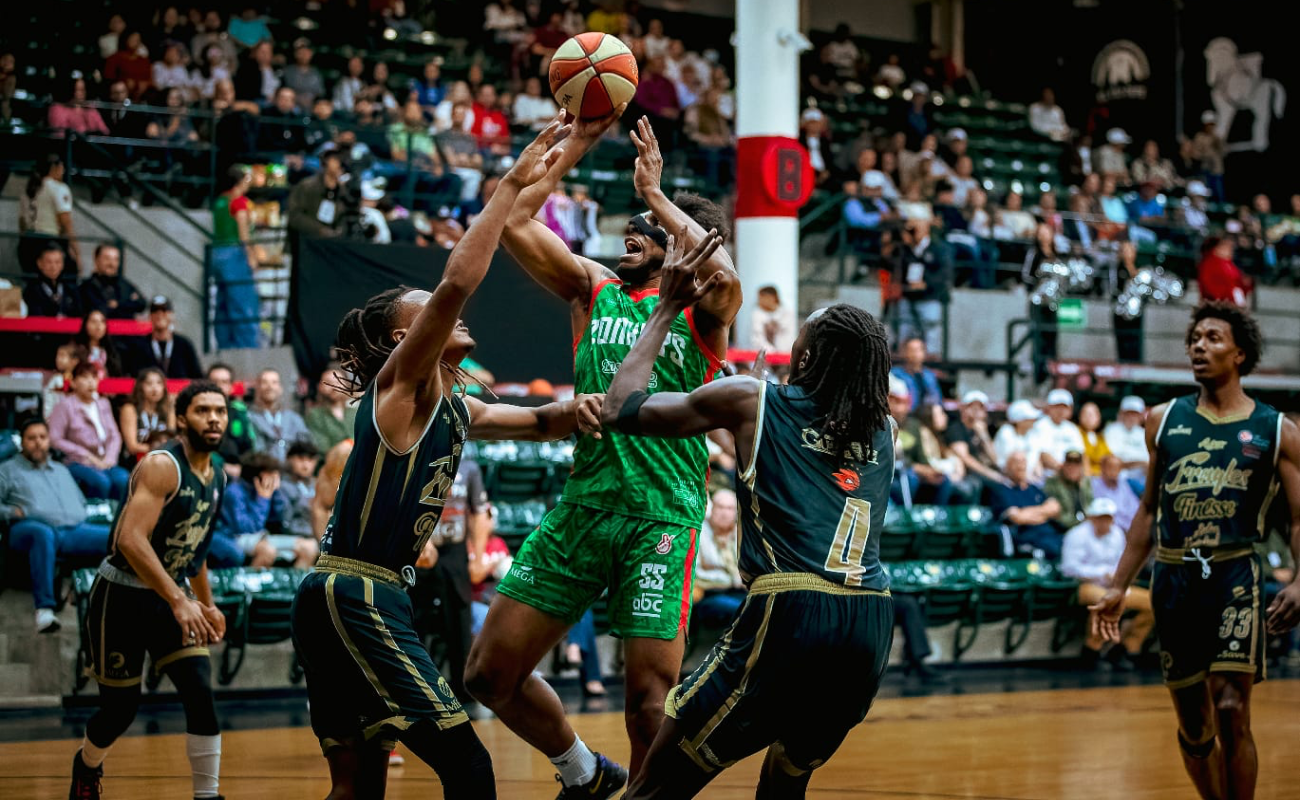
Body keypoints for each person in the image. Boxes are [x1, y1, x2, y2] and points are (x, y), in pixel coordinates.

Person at [290, 119, 605, 799]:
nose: (449, 314)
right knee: (468, 764)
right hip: (359, 592)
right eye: (430, 311)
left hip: (350, 595)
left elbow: (546, 419)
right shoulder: (400, 387)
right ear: (409, 337)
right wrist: (513, 183)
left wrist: (603, 400)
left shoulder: (457, 409)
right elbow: (459, 280)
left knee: (358, 784)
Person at [470, 113, 741, 794]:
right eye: (636, 222)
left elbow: (724, 271)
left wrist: (658, 198)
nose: (635, 230)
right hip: (584, 504)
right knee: (487, 675)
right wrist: (582, 141)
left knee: (650, 701)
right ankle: (584, 774)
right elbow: (517, 223)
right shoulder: (595, 289)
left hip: (662, 516)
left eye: (650, 230)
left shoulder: (703, 312)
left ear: (682, 243)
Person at [598, 240, 896, 798]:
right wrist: (759, 400)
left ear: (805, 356)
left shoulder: (753, 398)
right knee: (785, 782)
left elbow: (620, 407)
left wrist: (664, 309)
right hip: (870, 622)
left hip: (794, 610)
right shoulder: (884, 429)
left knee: (654, 788)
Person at [1093, 302, 1300, 800]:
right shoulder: (1163, 421)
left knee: (1231, 708)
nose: (1198, 346)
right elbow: (1146, 511)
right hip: (1174, 577)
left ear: (1240, 353)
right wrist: (1119, 584)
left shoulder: (1278, 430)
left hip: (1235, 575)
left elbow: (1299, 517)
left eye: (1211, 338)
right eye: (1194, 339)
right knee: (1193, 723)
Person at [68, 382, 230, 800]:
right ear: (181, 419)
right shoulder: (162, 466)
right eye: (203, 410)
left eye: (220, 410)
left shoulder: (219, 475)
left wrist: (206, 604)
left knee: (200, 690)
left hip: (169, 597)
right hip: (121, 596)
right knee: (119, 711)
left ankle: (207, 796)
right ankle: (86, 764)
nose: (214, 418)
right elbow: (129, 539)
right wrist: (180, 599)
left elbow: (196, 549)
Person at [0, 418, 111, 633]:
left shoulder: (60, 469)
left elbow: (79, 501)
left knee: (116, 537)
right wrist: (10, 512)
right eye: (31, 438)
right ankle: (44, 609)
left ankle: (102, 599)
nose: (38, 443)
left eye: (42, 437)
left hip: (72, 530)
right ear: (22, 442)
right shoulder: (7, 470)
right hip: (28, 528)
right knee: (43, 534)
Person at [1062, 497, 1153, 671]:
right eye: (1100, 517)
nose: (1105, 521)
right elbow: (1069, 568)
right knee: (1105, 601)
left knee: (1152, 602)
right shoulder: (1077, 535)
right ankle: (1091, 650)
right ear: (1092, 517)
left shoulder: (1117, 533)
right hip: (1085, 585)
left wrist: (1119, 577)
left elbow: (1123, 561)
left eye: (1108, 517)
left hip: (1115, 586)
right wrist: (1101, 574)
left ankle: (1126, 648)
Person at [47, 363, 129, 501]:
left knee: (124, 479)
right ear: (73, 382)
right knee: (101, 482)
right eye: (84, 377)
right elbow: (55, 439)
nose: (90, 382)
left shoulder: (103, 403)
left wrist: (109, 459)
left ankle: (119, 519)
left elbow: (115, 436)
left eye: (94, 377)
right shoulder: (64, 405)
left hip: (104, 461)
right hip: (77, 462)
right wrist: (87, 456)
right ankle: (96, 520)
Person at [210, 166, 262, 349]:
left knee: (223, 303)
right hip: (234, 255)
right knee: (243, 303)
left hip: (217, 254)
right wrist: (251, 255)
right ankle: (247, 346)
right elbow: (243, 233)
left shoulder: (220, 201)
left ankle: (224, 344)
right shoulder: (238, 201)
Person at [207, 451, 282, 568]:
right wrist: (263, 500)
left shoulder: (263, 490)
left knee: (307, 547)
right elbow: (247, 528)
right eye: (271, 475)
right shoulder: (234, 492)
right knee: (267, 552)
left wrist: (275, 494)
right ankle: (246, 585)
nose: (275, 479)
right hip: (231, 535)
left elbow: (280, 520)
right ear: (259, 475)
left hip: (257, 535)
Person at [893, 215, 951, 355]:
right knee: (904, 326)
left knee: (930, 329)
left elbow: (945, 274)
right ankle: (903, 356)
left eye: (916, 227)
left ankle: (931, 359)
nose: (913, 231)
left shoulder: (938, 248)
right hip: (908, 295)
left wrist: (926, 283)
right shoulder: (905, 249)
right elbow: (894, 267)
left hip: (929, 297)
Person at [991, 451, 1063, 558]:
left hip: (1051, 534)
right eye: (1016, 462)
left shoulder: (1033, 489)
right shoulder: (1001, 491)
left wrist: (1027, 511)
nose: (1021, 466)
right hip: (1027, 538)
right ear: (1007, 467)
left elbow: (1055, 508)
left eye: (1023, 462)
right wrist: (1044, 512)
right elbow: (1017, 517)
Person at [691, 488, 744, 627]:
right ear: (711, 508)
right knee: (744, 609)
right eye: (720, 507)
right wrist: (733, 579)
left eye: (730, 508)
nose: (725, 513)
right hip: (707, 595)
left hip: (737, 592)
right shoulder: (699, 533)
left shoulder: (739, 534)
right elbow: (695, 574)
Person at [126, 296, 203, 379]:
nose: (159, 315)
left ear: (172, 315)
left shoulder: (184, 345)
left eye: (164, 310)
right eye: (155, 311)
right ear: (150, 316)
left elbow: (197, 376)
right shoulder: (139, 346)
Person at [246, 369, 310, 462]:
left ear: (280, 388)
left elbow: (306, 445)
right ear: (257, 388)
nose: (270, 387)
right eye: (264, 382)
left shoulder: (293, 418)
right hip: (264, 469)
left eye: (274, 382)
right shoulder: (250, 417)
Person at [79, 243, 147, 321]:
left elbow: (141, 304)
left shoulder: (124, 284)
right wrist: (127, 306)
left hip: (125, 331)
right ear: (96, 260)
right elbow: (100, 310)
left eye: (116, 259)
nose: (112, 263)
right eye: (107, 258)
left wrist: (118, 305)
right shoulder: (85, 287)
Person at [120, 368, 176, 461]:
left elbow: (171, 440)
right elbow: (132, 446)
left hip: (162, 459)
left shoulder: (167, 409)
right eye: (149, 384)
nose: (155, 388)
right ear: (140, 386)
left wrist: (172, 406)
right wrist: (159, 449)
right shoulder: (130, 409)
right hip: (136, 460)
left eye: (159, 383)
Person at [207, 363, 257, 463]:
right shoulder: (198, 413)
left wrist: (242, 469)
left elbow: (249, 447)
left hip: (239, 471)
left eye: (224, 382)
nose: (219, 386)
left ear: (231, 387)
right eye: (214, 381)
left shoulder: (239, 413)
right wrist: (223, 466)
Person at [305, 366, 358, 453]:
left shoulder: (355, 412)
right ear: (320, 387)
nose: (334, 386)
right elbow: (322, 447)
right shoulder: (315, 415)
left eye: (339, 381)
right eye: (329, 383)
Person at [1032, 388, 1085, 475]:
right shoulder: (1040, 426)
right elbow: (1043, 455)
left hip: (1070, 475)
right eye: (1057, 406)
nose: (1060, 411)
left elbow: (1080, 454)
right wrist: (1064, 470)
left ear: (1070, 410)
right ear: (1048, 407)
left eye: (1064, 407)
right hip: (1047, 475)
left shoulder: (1072, 428)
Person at [23, 244, 80, 318]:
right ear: (39, 263)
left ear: (63, 264)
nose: (53, 267)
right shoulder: (31, 291)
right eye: (49, 262)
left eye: (57, 262)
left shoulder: (71, 290)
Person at [993, 399, 1044, 482]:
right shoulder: (1006, 432)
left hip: (1030, 477)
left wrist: (1039, 476)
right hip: (1008, 478)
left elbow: (1036, 457)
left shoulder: (1032, 433)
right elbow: (1010, 464)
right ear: (1018, 421)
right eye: (1028, 418)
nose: (1033, 420)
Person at [1043, 451, 1094, 531]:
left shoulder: (1085, 483)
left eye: (1076, 465)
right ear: (1063, 466)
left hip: (1085, 528)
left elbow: (1091, 507)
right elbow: (1056, 516)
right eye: (1069, 465)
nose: (1072, 468)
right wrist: (1079, 522)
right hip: (1062, 529)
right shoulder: (1052, 484)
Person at [1103, 395, 1149, 482]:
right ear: (1121, 413)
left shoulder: (1144, 433)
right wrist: (1139, 463)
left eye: (1135, 414)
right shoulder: (1111, 430)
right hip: (1118, 478)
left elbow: (1148, 462)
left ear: (1141, 415)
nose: (1131, 417)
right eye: (1128, 413)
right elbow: (1112, 460)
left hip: (1142, 478)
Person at [890, 336, 941, 413]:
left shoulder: (929, 376)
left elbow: (937, 399)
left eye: (918, 350)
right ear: (904, 352)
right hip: (905, 415)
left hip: (928, 416)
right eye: (912, 350)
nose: (915, 354)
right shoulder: (896, 374)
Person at [1091, 453, 1140, 533]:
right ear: (1102, 468)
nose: (1114, 471)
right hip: (1110, 529)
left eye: (1117, 468)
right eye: (1110, 467)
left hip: (1130, 529)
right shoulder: (1094, 485)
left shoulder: (1123, 485)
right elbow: (1102, 512)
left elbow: (1135, 507)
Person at [74, 309, 124, 379]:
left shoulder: (112, 351)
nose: (98, 326)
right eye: (93, 322)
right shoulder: (76, 349)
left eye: (102, 322)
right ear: (85, 325)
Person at [748, 285, 796, 352]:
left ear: (771, 298)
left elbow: (788, 337)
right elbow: (757, 338)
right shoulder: (757, 314)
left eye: (760, 298)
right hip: (766, 355)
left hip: (785, 354)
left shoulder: (787, 313)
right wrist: (772, 351)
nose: (759, 302)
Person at [1077, 401, 1111, 475]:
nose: (1088, 417)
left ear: (1099, 418)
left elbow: (1107, 457)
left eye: (1092, 415)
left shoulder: (1100, 437)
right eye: (1085, 414)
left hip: (1101, 476)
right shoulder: (1075, 432)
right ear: (1080, 416)